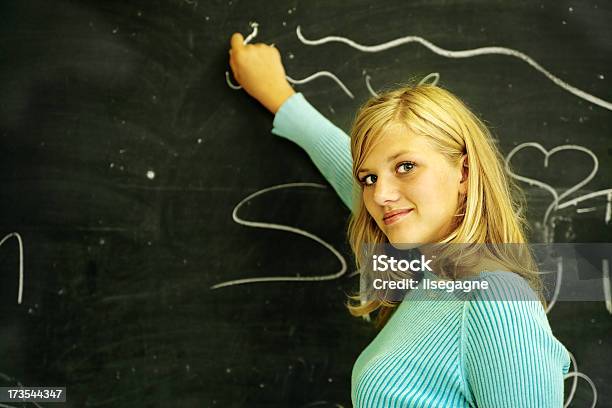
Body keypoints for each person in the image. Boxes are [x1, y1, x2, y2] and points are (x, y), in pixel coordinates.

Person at [229, 33, 571, 407]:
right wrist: (281, 99)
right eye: (370, 178)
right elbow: (350, 171)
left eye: (406, 167)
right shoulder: (437, 276)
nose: (379, 195)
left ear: (465, 172)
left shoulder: (495, 301)